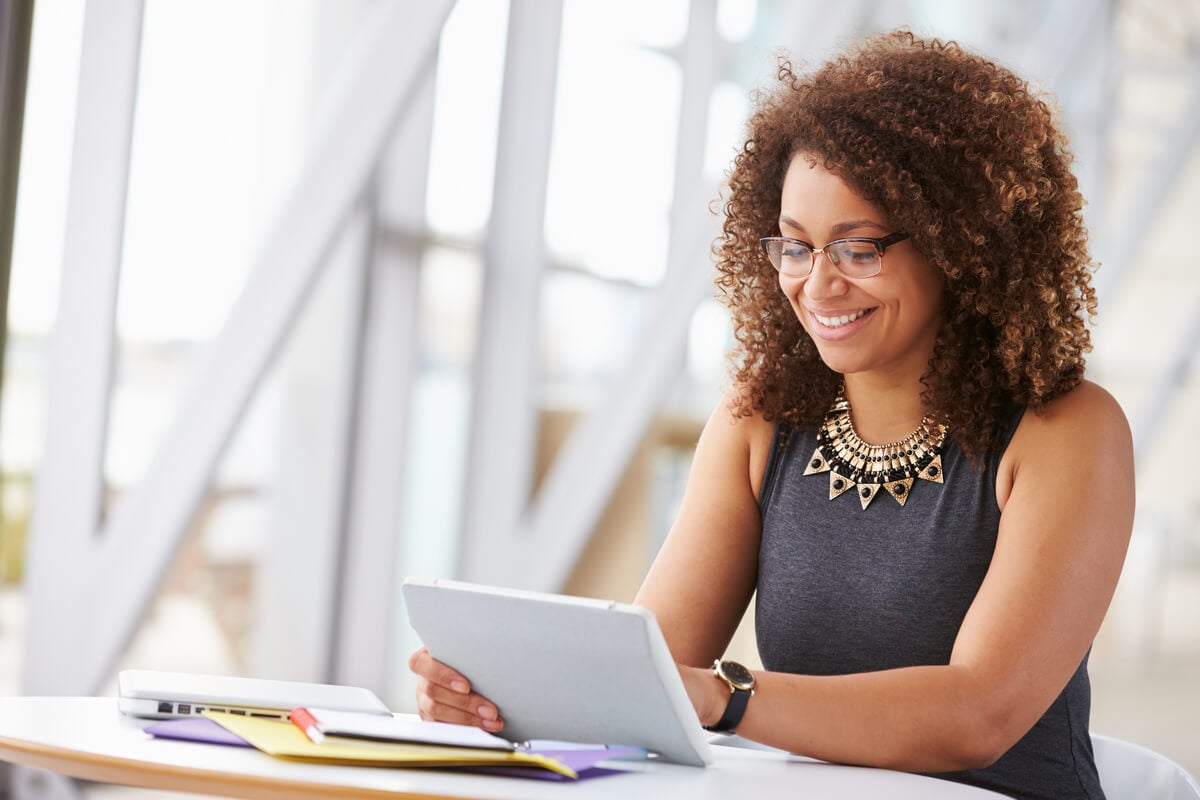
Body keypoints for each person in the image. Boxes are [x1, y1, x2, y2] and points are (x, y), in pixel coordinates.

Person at [409, 29, 1134, 800]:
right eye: (795, 247)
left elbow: (977, 713)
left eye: (858, 249)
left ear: (962, 245)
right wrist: (495, 701)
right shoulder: (762, 421)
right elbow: (646, 676)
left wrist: (729, 696)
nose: (817, 286)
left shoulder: (1068, 432)